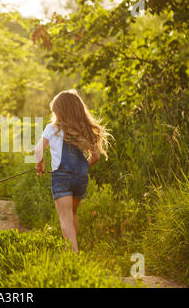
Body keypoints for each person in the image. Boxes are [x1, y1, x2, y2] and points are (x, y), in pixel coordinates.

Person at [34, 90, 110, 253]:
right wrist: (80, 169)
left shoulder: (52, 128)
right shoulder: (85, 129)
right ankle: (75, 249)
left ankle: (73, 255)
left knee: (65, 219)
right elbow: (95, 157)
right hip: (80, 179)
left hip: (62, 178)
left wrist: (40, 163)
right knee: (72, 213)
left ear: (59, 112)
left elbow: (37, 150)